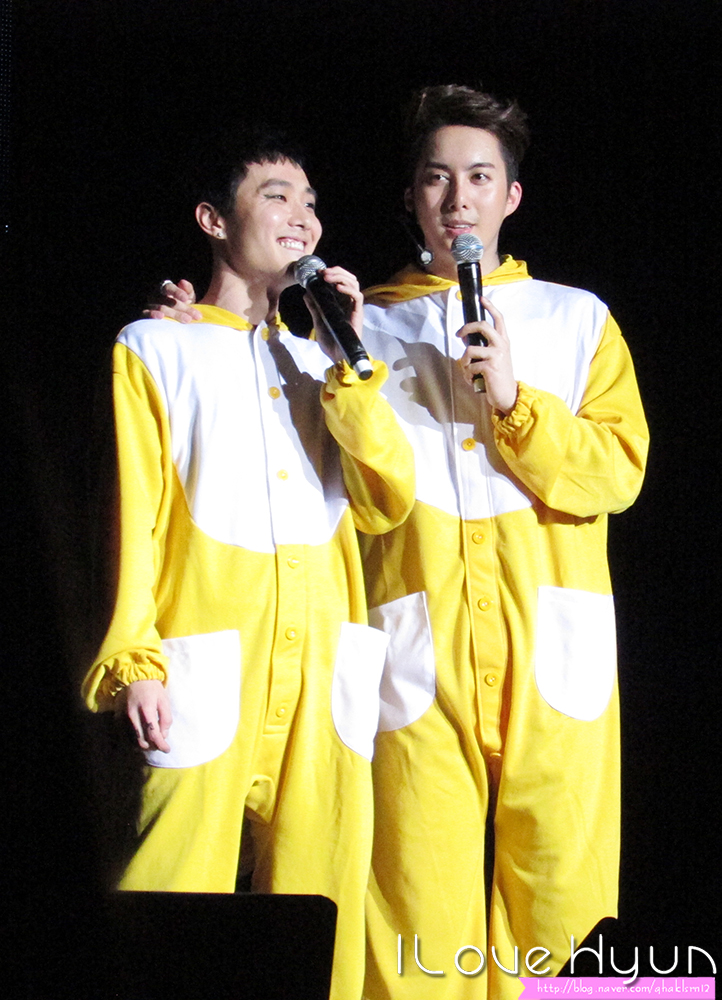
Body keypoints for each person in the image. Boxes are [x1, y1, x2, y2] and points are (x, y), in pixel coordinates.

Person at [151, 86, 649, 1000]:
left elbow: (618, 474)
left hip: (552, 644)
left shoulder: (577, 317)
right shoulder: (355, 326)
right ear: (412, 198)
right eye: (436, 179)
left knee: (568, 907)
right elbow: (283, 434)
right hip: (414, 648)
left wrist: (516, 401)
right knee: (414, 910)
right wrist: (198, 328)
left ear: (511, 196)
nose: (459, 199)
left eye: (480, 177)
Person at [82, 133, 415, 1000]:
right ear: (212, 220)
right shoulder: (155, 347)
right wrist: (135, 657)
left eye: (311, 203)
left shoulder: (321, 365)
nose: (301, 216)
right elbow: (133, 517)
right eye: (276, 196)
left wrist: (350, 364)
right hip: (206, 659)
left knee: (319, 918)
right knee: (165, 900)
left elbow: (387, 499)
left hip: (323, 671)